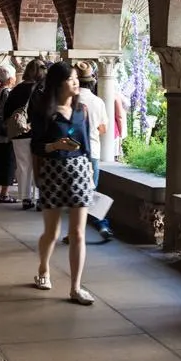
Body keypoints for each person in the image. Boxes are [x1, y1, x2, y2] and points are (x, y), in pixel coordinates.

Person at [30, 60, 96, 305]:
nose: (76, 82)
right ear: (58, 84)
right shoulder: (44, 111)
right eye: (71, 79)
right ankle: (43, 269)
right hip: (53, 170)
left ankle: (76, 287)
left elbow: (86, 146)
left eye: (77, 78)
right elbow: (36, 146)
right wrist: (55, 146)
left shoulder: (82, 110)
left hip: (79, 170)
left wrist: (90, 171)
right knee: (52, 231)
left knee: (78, 232)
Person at [64, 61, 112, 242]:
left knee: (73, 194)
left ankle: (76, 232)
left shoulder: (70, 101)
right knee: (91, 191)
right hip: (93, 152)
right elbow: (103, 129)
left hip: (73, 152)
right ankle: (101, 225)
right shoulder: (97, 101)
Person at [6, 59, 46, 209]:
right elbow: (42, 112)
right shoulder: (39, 90)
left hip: (18, 133)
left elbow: (7, 111)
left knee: (23, 166)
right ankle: (39, 197)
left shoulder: (16, 90)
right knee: (38, 165)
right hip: (35, 132)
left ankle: (25, 198)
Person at [0, 66, 17, 202]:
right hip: (5, 132)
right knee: (8, 161)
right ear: (11, 78)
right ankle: (4, 193)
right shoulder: (7, 92)